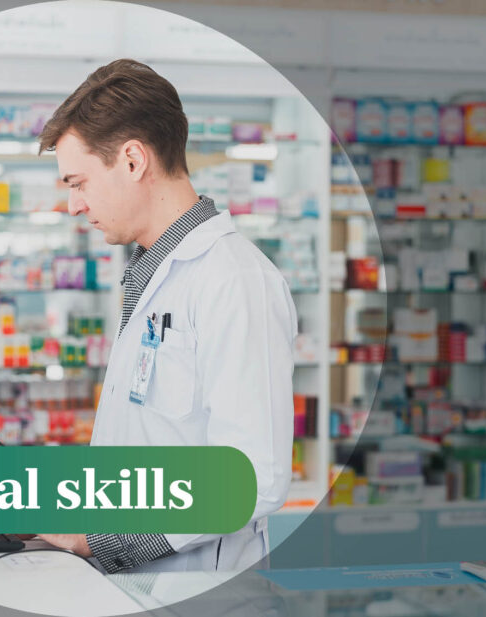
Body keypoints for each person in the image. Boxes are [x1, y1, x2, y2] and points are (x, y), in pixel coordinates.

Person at [35, 59, 297, 573]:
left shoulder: (234, 280)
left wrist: (105, 537)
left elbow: (253, 476)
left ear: (133, 160)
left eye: (79, 182)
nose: (73, 205)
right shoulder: (149, 272)